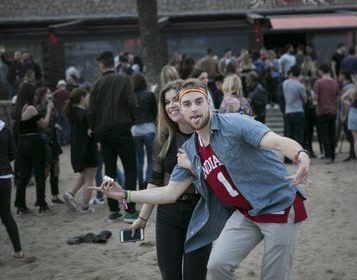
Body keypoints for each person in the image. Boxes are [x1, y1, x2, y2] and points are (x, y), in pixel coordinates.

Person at [93, 78, 310, 280]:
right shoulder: (189, 149)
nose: (194, 108)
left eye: (198, 101)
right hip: (247, 212)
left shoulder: (235, 123)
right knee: (217, 265)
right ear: (181, 111)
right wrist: (125, 194)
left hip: (279, 205)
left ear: (208, 102)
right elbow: (169, 192)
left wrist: (300, 155)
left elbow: (276, 141)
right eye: (186, 104)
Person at [130, 80, 211, 279]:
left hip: (199, 214)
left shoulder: (207, 136)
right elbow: (155, 181)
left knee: (195, 275)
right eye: (167, 102)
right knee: (169, 274)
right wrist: (142, 218)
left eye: (176, 100)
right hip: (168, 214)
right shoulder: (163, 139)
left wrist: (194, 167)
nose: (171, 105)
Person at [87, 51, 138, 222]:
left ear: (101, 66)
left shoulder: (96, 85)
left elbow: (91, 111)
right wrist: (131, 120)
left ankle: (114, 210)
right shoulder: (124, 79)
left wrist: (94, 129)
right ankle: (130, 210)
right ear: (113, 64)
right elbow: (132, 103)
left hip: (103, 132)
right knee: (130, 169)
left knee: (109, 171)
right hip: (122, 128)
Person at [14, 82, 53, 214]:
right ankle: (41, 204)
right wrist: (48, 110)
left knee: (24, 175)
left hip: (22, 143)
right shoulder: (31, 108)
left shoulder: (17, 109)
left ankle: (20, 205)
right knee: (39, 174)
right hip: (34, 142)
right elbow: (44, 124)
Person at [0, 119, 35, 263]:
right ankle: (18, 251)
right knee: (6, 215)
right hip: (4, 175)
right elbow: (12, 153)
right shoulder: (4, 128)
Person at [63, 87, 98, 213]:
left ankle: (70, 194)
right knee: (89, 178)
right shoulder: (85, 114)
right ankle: (85, 207)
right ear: (82, 97)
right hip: (88, 149)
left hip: (78, 151)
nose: (89, 99)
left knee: (85, 175)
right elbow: (91, 132)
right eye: (87, 96)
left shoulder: (74, 113)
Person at [35, 87, 64, 204]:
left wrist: (55, 124)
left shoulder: (51, 106)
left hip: (53, 139)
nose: (50, 94)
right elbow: (42, 125)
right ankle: (40, 197)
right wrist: (49, 109)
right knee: (45, 170)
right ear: (42, 95)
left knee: (56, 168)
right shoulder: (39, 108)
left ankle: (55, 195)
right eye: (47, 93)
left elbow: (54, 119)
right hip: (44, 141)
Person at [131, 73, 157, 190]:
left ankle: (140, 183)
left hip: (135, 130)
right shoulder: (150, 95)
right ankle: (148, 181)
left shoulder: (131, 96)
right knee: (151, 158)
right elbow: (155, 112)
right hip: (149, 129)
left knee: (139, 158)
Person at [313, 64, 341, 163]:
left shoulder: (318, 83)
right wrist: (336, 108)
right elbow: (338, 98)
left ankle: (328, 155)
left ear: (321, 71)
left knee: (325, 134)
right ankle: (333, 154)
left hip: (322, 111)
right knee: (332, 133)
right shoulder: (335, 82)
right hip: (333, 110)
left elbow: (315, 98)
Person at [282, 65, 307, 149]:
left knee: (289, 135)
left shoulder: (285, 83)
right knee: (299, 135)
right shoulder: (300, 85)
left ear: (291, 73)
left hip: (288, 111)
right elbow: (305, 100)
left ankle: (288, 157)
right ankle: (299, 154)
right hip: (298, 111)